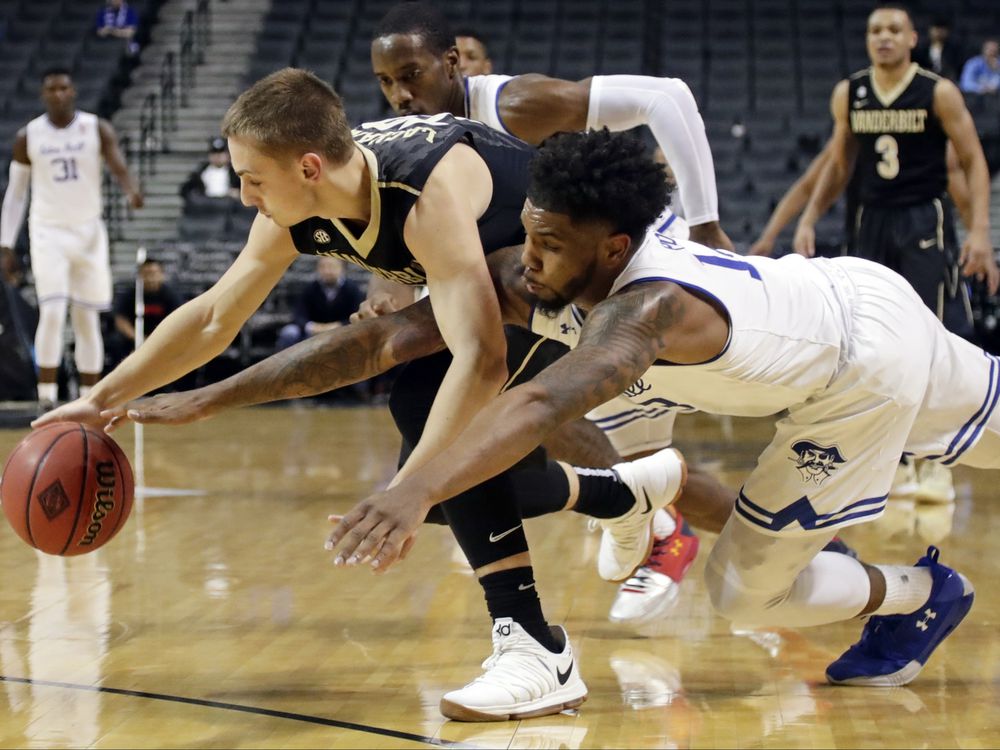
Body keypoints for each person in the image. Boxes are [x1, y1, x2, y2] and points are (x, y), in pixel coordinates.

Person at [34, 68, 686, 722]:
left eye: (252, 178)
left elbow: (482, 359)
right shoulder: (303, 201)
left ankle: (535, 647)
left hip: (601, 279)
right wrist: (101, 397)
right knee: (439, 497)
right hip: (509, 289)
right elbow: (213, 317)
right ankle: (618, 494)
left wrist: (413, 486)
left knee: (425, 419)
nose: (242, 196)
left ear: (310, 167)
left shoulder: (425, 192)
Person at [323, 128, 996, 693]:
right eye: (528, 235)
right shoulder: (584, 250)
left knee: (742, 594)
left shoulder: (645, 310)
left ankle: (919, 593)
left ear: (612, 248)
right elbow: (382, 340)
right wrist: (215, 393)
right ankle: (645, 518)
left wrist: (415, 488)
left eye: (546, 244)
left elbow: (536, 404)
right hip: (846, 290)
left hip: (859, 379)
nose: (526, 259)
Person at [366, 1, 732, 624]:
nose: (400, 95)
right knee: (499, 440)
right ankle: (648, 515)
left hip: (634, 280)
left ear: (453, 64)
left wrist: (707, 224)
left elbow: (666, 97)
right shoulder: (410, 146)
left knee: (613, 453)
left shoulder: (510, 106)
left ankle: (658, 523)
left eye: (412, 76)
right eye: (386, 82)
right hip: (558, 297)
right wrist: (392, 293)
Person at [793, 4, 998, 505]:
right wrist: (809, 217)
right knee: (873, 345)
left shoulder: (938, 91)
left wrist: (979, 231)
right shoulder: (852, 91)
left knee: (930, 337)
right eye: (874, 31)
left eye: (892, 30)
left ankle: (937, 465)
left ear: (911, 39)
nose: (883, 37)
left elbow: (973, 160)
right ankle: (893, 462)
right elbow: (840, 164)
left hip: (923, 219)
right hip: (869, 221)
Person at [0, 67, 143, 405]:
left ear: (73, 91)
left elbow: (118, 165)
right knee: (52, 310)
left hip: (89, 230)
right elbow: (16, 194)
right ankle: (46, 398)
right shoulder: (29, 136)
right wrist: (5, 244)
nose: (59, 94)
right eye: (52, 89)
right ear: (43, 94)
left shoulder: (96, 127)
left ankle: (88, 398)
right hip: (48, 231)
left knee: (87, 316)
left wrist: (131, 190)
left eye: (64, 88)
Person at [275, 256, 364, 350]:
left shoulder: (352, 289)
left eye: (331, 266)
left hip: (342, 331)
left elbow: (358, 315)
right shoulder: (311, 288)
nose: (327, 271)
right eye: (322, 267)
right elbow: (299, 314)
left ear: (342, 268)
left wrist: (337, 326)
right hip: (313, 332)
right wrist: (311, 326)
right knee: (289, 332)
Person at [109, 257, 182, 368]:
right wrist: (137, 338)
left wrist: (156, 339)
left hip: (162, 337)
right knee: (115, 341)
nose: (150, 278)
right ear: (140, 275)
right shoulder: (131, 294)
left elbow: (177, 320)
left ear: (161, 275)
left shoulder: (170, 295)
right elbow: (121, 320)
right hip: (134, 337)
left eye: (154, 273)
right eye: (146, 273)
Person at [180, 136, 241, 209]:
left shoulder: (236, 173)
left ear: (228, 154)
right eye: (214, 152)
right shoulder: (201, 172)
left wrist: (239, 194)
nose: (217, 156)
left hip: (229, 210)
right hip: (206, 209)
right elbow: (186, 190)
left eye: (221, 152)